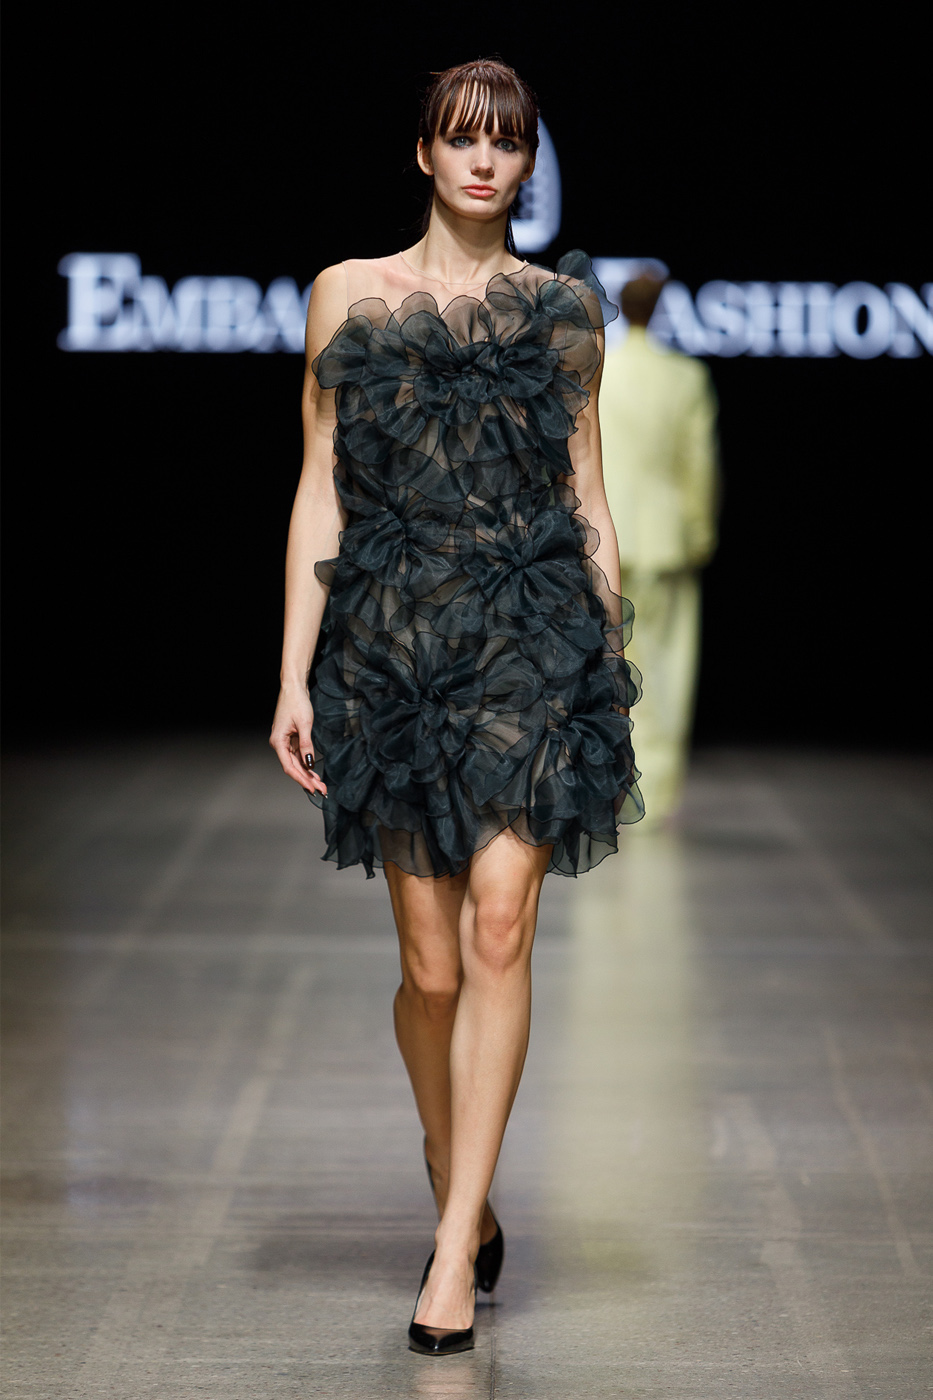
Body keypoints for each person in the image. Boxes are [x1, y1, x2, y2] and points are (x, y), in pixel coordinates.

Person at [270, 58, 643, 1357]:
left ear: (528, 163)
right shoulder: (345, 294)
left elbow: (587, 494)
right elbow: (321, 482)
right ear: (423, 154)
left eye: (508, 141)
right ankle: (453, 1164)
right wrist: (293, 672)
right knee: (429, 974)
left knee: (498, 932)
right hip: (390, 650)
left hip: (532, 645)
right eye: (462, 138)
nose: (486, 161)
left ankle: (450, 1249)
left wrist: (606, 662)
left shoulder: (565, 311)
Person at [599, 274, 719, 823]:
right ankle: (655, 791)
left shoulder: (603, 368)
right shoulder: (685, 376)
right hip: (665, 537)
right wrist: (699, 531)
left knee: (606, 663)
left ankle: (609, 785)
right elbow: (699, 462)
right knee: (666, 667)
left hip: (605, 536)